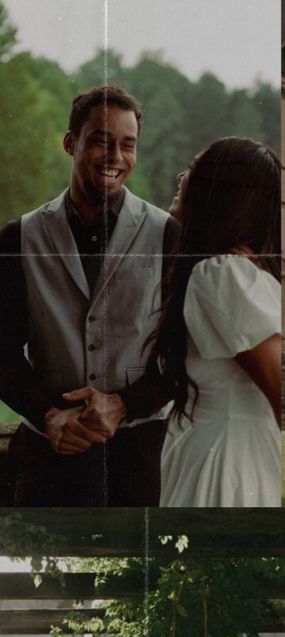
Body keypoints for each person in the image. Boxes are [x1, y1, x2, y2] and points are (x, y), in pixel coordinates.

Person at [0, 85, 180, 505]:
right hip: (48, 454)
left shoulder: (167, 235)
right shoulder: (18, 236)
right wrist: (49, 415)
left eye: (128, 145)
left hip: (143, 453)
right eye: (101, 140)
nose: (116, 156)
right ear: (70, 143)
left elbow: (183, 348)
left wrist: (124, 405)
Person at [147, 137, 281, 506]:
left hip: (225, 463)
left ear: (217, 192)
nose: (181, 176)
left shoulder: (223, 273)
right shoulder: (233, 271)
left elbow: (280, 386)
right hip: (213, 449)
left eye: (192, 168)